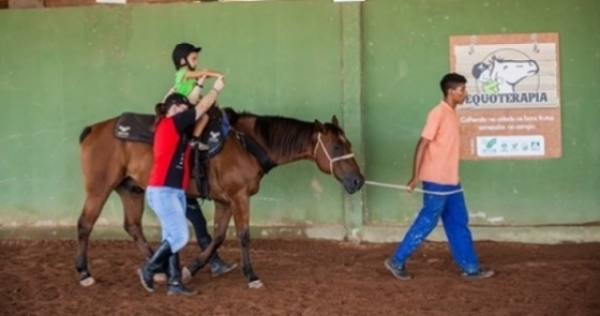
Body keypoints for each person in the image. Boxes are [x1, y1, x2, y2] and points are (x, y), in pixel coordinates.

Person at [384, 73, 494, 281]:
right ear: (451, 92)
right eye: (462, 89)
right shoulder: (438, 113)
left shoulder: (451, 113)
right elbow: (422, 143)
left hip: (452, 181)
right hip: (436, 181)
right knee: (426, 222)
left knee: (458, 222)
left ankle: (471, 268)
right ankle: (396, 260)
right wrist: (415, 176)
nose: (465, 93)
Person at [138, 76, 224, 296]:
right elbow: (202, 105)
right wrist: (216, 88)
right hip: (163, 190)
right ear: (171, 108)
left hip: (174, 191)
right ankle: (149, 268)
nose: (186, 110)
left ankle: (174, 283)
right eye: (182, 107)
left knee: (171, 237)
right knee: (180, 237)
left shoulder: (177, 126)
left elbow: (189, 103)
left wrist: (199, 85)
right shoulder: (170, 123)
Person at [171, 42, 222, 150]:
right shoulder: (183, 73)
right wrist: (217, 75)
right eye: (194, 59)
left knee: (208, 114)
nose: (196, 62)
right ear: (183, 61)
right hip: (182, 104)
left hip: (190, 102)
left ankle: (198, 138)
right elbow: (202, 74)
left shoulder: (191, 77)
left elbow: (200, 80)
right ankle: (194, 139)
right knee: (204, 116)